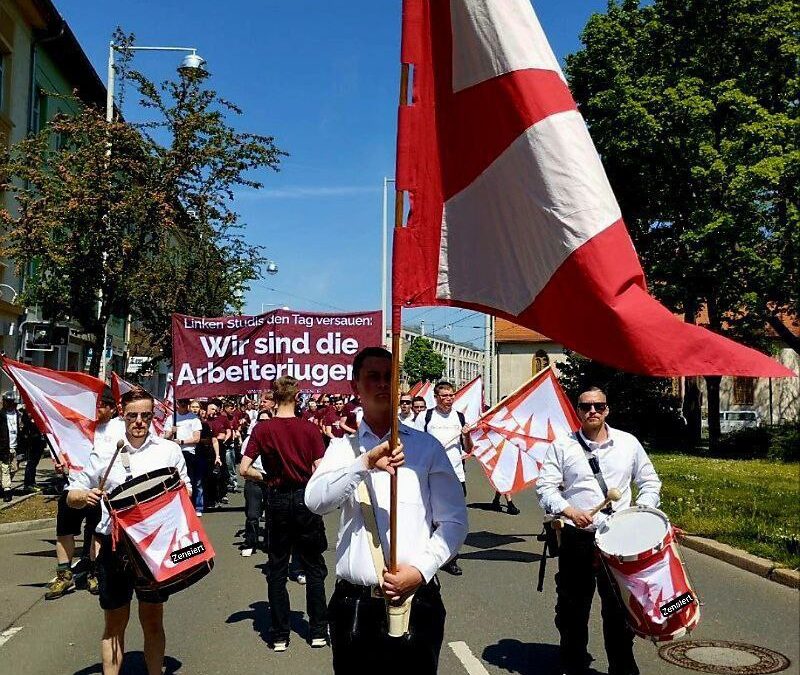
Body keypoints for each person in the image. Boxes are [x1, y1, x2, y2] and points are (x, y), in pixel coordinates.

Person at [305, 347, 468, 675]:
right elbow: (316, 501)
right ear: (355, 385)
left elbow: (454, 522)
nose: (382, 384)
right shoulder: (343, 449)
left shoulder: (426, 447)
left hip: (416, 601)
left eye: (389, 377)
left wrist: (420, 570)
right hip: (355, 606)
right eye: (373, 377)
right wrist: (363, 464)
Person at [536, 387, 662, 675]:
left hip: (619, 539)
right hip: (576, 537)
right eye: (586, 406)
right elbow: (545, 487)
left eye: (599, 406)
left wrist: (640, 513)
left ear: (607, 409)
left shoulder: (628, 443)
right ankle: (573, 662)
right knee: (572, 608)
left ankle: (622, 666)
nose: (592, 411)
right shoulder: (563, 446)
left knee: (619, 607)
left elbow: (649, 482)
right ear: (578, 411)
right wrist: (569, 510)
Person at [67, 387, 190, 675]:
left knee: (153, 620)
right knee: (114, 623)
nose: (139, 422)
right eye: (133, 416)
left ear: (153, 416)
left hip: (154, 549)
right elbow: (72, 493)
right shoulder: (105, 452)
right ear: (122, 414)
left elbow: (185, 492)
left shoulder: (168, 451)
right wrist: (84, 496)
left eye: (145, 416)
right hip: (114, 547)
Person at [240, 376, 328, 651]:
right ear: (297, 397)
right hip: (304, 498)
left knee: (277, 567)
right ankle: (318, 630)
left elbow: (243, 468)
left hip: (277, 498)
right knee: (313, 566)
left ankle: (280, 635)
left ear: (273, 398)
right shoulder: (309, 429)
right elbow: (320, 469)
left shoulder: (262, 429)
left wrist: (266, 478)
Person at [45, 388, 123, 600]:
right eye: (95, 405)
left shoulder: (118, 428)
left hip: (100, 490)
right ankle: (64, 575)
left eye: (102, 406)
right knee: (64, 531)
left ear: (113, 409)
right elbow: (63, 449)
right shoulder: (75, 426)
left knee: (96, 533)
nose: (97, 410)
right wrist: (60, 462)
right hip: (74, 487)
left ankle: (94, 572)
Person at [419, 381, 472, 576]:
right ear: (436, 398)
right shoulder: (426, 417)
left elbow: (468, 448)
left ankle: (451, 558)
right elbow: (417, 444)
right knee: (430, 516)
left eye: (451, 395)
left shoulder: (459, 417)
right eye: (444, 396)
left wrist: (467, 435)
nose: (448, 399)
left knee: (453, 518)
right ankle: (428, 556)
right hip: (431, 474)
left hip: (455, 475)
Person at [163, 399, 205, 516]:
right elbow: (166, 437)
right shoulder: (171, 418)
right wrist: (172, 432)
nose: (183, 404)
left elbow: (196, 438)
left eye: (185, 403)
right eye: (181, 402)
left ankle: (195, 506)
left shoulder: (194, 419)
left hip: (188, 452)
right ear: (177, 403)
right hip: (174, 453)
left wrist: (181, 441)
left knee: (191, 480)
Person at [240, 409, 269, 557]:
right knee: (252, 515)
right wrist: (257, 475)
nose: (263, 424)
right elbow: (244, 465)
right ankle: (251, 543)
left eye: (266, 421)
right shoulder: (249, 440)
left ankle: (270, 542)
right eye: (260, 421)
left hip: (272, 481)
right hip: (254, 480)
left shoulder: (277, 438)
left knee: (273, 514)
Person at [0, 391, 21, 502]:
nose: (10, 404)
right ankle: (7, 491)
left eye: (12, 402)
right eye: (7, 402)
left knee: (14, 468)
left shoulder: (17, 414)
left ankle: (3, 484)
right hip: (4, 447)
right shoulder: (1, 415)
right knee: (5, 469)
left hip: (14, 446)